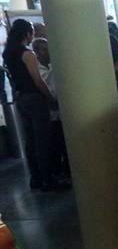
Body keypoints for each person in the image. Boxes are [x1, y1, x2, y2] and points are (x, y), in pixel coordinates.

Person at [2, 19, 62, 191]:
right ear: (27, 34)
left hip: (20, 98)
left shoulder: (8, 53)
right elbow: (37, 80)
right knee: (43, 139)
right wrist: (50, 97)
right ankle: (47, 178)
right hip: (35, 99)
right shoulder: (28, 54)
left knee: (30, 140)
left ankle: (35, 177)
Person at [32, 38, 70, 180]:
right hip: (48, 112)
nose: (48, 52)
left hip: (61, 111)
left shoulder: (54, 66)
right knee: (53, 143)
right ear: (36, 51)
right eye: (44, 49)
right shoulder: (36, 71)